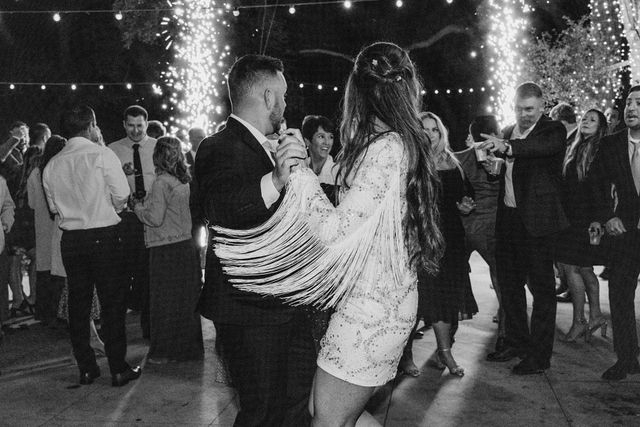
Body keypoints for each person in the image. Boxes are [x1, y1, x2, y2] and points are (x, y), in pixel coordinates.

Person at [210, 43, 443, 426]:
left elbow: (335, 232)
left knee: (329, 419)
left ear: (359, 92)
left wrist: (298, 171)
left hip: (373, 307)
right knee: (326, 413)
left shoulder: (386, 150)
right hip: (373, 297)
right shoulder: (394, 144)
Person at [194, 54, 317, 426]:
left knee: (295, 403)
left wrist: (301, 177)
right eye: (282, 94)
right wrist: (277, 180)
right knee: (261, 409)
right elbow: (219, 207)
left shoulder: (270, 146)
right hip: (247, 310)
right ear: (267, 96)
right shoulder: (218, 146)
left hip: (287, 303)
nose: (285, 102)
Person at [43, 104, 140, 387]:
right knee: (112, 304)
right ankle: (118, 367)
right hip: (104, 236)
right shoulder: (101, 154)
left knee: (79, 305)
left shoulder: (52, 165)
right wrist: (110, 206)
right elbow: (122, 195)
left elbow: (54, 207)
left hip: (71, 240)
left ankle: (86, 368)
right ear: (90, 125)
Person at [480, 82, 568, 375]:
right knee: (509, 286)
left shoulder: (552, 131)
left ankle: (540, 356)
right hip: (509, 222)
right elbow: (502, 173)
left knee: (543, 292)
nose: (524, 114)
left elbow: (538, 149)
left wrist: (507, 147)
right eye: (519, 108)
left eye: (529, 109)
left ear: (542, 106)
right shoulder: (507, 131)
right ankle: (516, 341)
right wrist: (494, 167)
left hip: (539, 224)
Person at [401, 111, 476, 378]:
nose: (430, 134)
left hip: (451, 238)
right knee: (415, 300)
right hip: (420, 237)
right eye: (425, 129)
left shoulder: (451, 163)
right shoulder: (410, 162)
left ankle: (445, 351)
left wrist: (466, 206)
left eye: (434, 129)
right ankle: (406, 355)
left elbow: (466, 196)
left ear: (441, 133)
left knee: (445, 297)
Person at [132, 136, 203, 364]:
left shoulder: (161, 182)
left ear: (157, 156)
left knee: (164, 302)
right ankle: (188, 349)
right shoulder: (183, 180)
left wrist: (137, 207)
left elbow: (154, 218)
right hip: (184, 244)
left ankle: (164, 352)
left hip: (164, 248)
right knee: (185, 301)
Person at [590, 85, 640, 380]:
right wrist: (607, 216)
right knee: (620, 296)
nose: (631, 108)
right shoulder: (611, 145)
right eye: (629, 103)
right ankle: (626, 359)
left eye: (639, 103)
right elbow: (595, 186)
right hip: (625, 233)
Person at [555, 109, 608, 343]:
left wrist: (598, 219)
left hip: (585, 219)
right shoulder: (574, 147)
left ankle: (579, 321)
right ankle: (595, 315)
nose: (586, 121)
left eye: (593, 120)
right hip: (572, 217)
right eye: (584, 118)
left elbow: (602, 188)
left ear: (601, 127)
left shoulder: (600, 150)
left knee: (572, 268)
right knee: (584, 268)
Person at [109, 105, 157, 339]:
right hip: (125, 220)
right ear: (124, 125)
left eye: (140, 126)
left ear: (146, 124)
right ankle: (118, 332)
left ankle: (149, 328)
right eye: (131, 125)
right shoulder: (113, 150)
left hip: (151, 218)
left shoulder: (157, 147)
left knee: (149, 275)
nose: (136, 130)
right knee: (124, 273)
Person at [455, 115, 503, 344]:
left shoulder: (458, 158)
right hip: (492, 224)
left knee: (456, 274)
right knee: (499, 273)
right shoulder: (503, 158)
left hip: (465, 224)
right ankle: (505, 325)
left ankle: (449, 332)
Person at [549, 102, 578, 302]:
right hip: (564, 203)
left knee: (572, 256)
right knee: (562, 252)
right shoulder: (568, 138)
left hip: (571, 205)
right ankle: (565, 285)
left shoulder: (575, 139)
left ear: (561, 121)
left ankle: (573, 291)